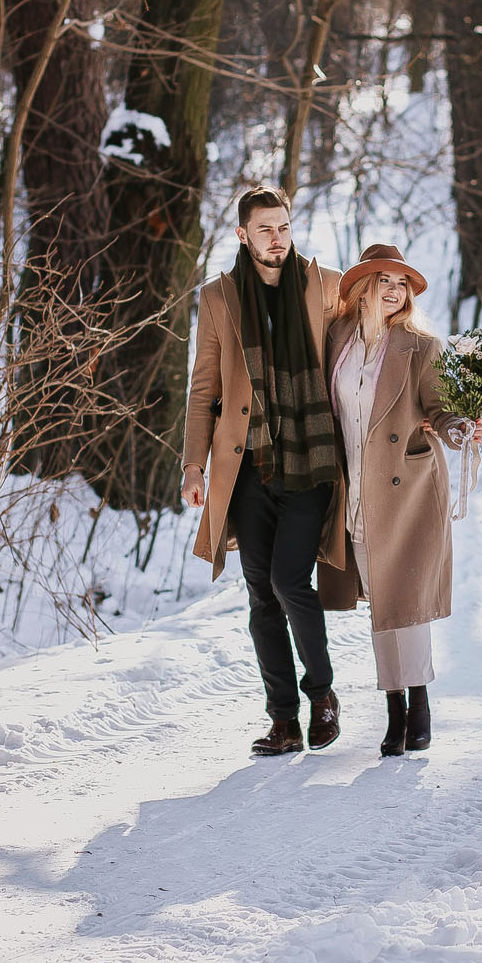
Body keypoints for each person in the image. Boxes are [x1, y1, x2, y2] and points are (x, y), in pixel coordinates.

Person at [181, 187, 349, 756]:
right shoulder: (219, 297)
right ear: (242, 235)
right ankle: (284, 720)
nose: (277, 238)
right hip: (248, 468)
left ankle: (322, 694)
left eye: (284, 227)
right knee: (260, 596)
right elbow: (204, 386)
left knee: (288, 581)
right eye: (266, 230)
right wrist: (192, 465)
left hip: (312, 458)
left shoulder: (327, 287)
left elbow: (361, 358)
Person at [324, 244, 476, 755]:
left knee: (406, 601)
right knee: (381, 602)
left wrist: (460, 427)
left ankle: (420, 703)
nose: (394, 290)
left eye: (401, 283)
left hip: (407, 489)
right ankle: (393, 708)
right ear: (363, 287)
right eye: (384, 280)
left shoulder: (420, 345)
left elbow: (442, 409)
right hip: (356, 487)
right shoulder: (338, 338)